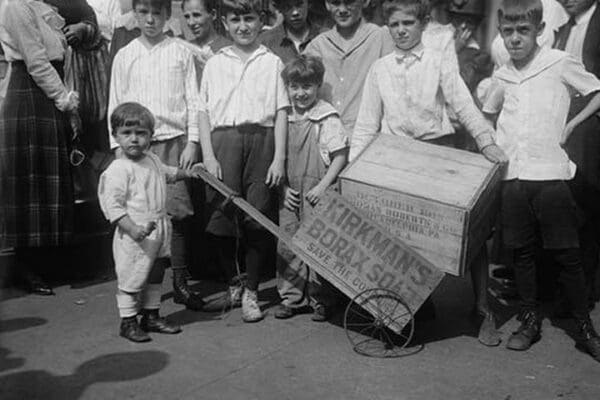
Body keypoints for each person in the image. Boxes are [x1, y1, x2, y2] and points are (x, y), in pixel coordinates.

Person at [350, 0, 508, 346]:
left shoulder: (439, 58)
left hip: (439, 151)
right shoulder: (380, 68)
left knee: (471, 231)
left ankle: (482, 309)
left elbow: (462, 102)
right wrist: (353, 169)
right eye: (394, 24)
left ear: (423, 24)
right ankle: (412, 309)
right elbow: (365, 123)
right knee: (402, 235)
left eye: (409, 22)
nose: (402, 30)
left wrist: (485, 141)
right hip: (396, 157)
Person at [482, 0, 600, 361]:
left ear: (538, 30)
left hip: (550, 175)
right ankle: (529, 319)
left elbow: (596, 92)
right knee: (522, 252)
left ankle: (584, 326)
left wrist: (570, 125)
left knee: (567, 253)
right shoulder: (502, 74)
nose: (515, 39)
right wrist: (493, 145)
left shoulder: (559, 62)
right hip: (514, 177)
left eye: (523, 31)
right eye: (508, 32)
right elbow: (488, 113)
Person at [108, 0, 206, 311]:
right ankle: (136, 284)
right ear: (135, 14)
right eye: (144, 13)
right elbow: (115, 102)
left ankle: (179, 281)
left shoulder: (180, 51)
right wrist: (118, 150)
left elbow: (193, 99)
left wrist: (191, 142)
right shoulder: (126, 55)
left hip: (173, 141)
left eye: (157, 13)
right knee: (139, 215)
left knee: (175, 215)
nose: (150, 20)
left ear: (167, 15)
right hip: (136, 147)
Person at [198, 0, 289, 323]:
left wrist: (278, 157)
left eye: (249, 19)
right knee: (222, 217)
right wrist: (208, 155)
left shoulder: (272, 62)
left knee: (257, 217)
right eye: (235, 19)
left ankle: (252, 290)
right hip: (224, 142)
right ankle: (233, 284)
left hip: (262, 142)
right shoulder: (215, 62)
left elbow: (280, 112)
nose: (243, 26)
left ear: (260, 21)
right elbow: (203, 111)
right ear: (223, 22)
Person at [99, 102, 203, 343]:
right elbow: (112, 207)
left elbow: (168, 173)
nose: (134, 139)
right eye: (126, 133)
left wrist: (189, 172)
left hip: (157, 230)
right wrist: (133, 229)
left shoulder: (152, 160)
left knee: (155, 273)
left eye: (141, 133)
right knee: (132, 276)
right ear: (115, 136)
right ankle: (128, 321)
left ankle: (151, 316)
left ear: (151, 136)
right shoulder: (117, 169)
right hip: (133, 235)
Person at [0, 0, 79, 295]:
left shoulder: (42, 6)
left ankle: (45, 263)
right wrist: (65, 100)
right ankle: (25, 267)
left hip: (46, 91)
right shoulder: (15, 6)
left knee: (49, 180)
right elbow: (35, 61)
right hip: (30, 91)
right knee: (30, 181)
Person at [274, 55, 348, 321]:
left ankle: (323, 299)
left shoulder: (326, 117)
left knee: (320, 244)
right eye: (294, 87)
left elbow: (340, 155)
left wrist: (323, 185)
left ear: (317, 86)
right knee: (288, 242)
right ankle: (292, 298)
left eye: (307, 87)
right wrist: (282, 188)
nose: (300, 93)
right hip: (291, 190)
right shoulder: (284, 118)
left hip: (318, 189)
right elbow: (277, 158)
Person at [553, 0, 600, 313]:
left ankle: (581, 292)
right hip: (564, 124)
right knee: (562, 206)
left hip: (591, 124)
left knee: (588, 205)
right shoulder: (564, 27)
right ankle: (563, 288)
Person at [303, 0, 395, 140]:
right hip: (326, 139)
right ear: (327, 4)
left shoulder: (381, 37)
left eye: (349, 2)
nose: (342, 9)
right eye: (335, 3)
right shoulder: (317, 46)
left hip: (369, 138)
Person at [259, 0, 325, 64]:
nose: (295, 13)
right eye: (287, 6)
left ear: (309, 3)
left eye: (299, 5)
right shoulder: (266, 42)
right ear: (279, 8)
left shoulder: (325, 37)